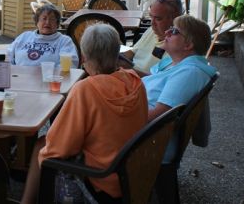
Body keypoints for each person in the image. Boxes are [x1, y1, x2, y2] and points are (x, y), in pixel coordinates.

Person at [21, 24, 148, 203]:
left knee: (41, 147)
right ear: (117, 55)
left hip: (102, 178)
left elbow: (60, 147)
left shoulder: (86, 89)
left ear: (83, 57)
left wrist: (42, 157)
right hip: (131, 171)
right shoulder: (135, 81)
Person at [142, 14, 217, 122]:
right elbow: (151, 80)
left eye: (174, 31)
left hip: (136, 125)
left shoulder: (189, 73)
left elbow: (159, 115)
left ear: (188, 45)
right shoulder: (173, 63)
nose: (166, 32)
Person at [121, 0, 183, 75]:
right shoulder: (152, 30)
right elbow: (133, 52)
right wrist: (116, 58)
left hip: (141, 80)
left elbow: (158, 79)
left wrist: (130, 70)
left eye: (158, 19)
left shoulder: (177, 45)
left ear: (175, 19)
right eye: (151, 17)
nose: (152, 23)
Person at [5, 4, 78, 67]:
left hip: (49, 77)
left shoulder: (64, 41)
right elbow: (8, 56)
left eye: (52, 19)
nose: (47, 22)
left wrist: (51, 75)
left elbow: (69, 64)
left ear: (57, 23)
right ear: (37, 22)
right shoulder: (24, 36)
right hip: (20, 76)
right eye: (44, 18)